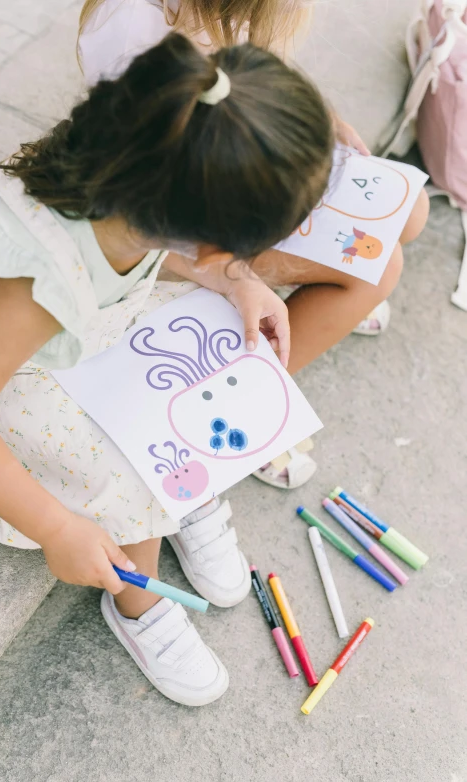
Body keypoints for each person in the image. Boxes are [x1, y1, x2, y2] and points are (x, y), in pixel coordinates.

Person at [0, 35, 334, 706]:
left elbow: (147, 256)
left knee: (197, 346)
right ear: (202, 232)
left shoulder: (143, 157)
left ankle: (184, 493)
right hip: (0, 364)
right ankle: (139, 599)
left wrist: (237, 281)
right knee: (126, 468)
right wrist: (58, 528)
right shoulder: (30, 290)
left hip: (74, 318)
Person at [77, 0, 430, 491]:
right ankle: (243, 401)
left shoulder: (220, 13)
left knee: (409, 211)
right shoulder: (133, 32)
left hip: (232, 172)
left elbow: (254, 68)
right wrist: (233, 275)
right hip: (187, 220)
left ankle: (329, 287)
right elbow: (135, 215)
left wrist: (317, 120)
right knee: (379, 267)